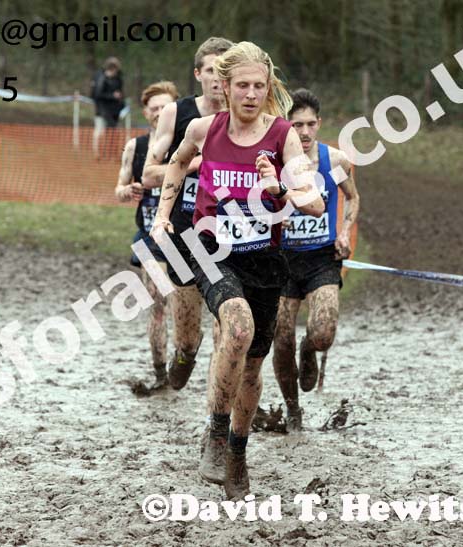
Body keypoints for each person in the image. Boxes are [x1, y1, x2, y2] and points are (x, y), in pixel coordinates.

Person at [151, 42, 325, 500]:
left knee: (251, 368)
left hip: (266, 260)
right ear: (223, 86)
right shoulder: (205, 128)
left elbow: (316, 201)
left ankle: (237, 448)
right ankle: (213, 431)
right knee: (238, 326)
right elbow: (177, 161)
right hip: (212, 250)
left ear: (268, 89)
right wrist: (163, 213)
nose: (250, 94)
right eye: (242, 85)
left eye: (259, 86)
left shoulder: (284, 135)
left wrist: (281, 187)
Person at [141, 36, 234, 392]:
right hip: (184, 235)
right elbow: (149, 174)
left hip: (229, 234)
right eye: (211, 70)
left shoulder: (246, 116)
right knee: (189, 340)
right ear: (198, 73)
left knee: (227, 328)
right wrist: (192, 166)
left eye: (224, 71)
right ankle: (183, 357)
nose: (217, 78)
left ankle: (218, 409)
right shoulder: (176, 114)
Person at [273, 89, 360, 429]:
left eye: (310, 124)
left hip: (321, 258)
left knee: (324, 332)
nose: (305, 133)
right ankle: (293, 411)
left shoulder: (335, 161)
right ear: (286, 126)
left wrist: (344, 233)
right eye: (297, 126)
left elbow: (352, 199)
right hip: (281, 261)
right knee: (280, 338)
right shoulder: (273, 164)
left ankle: (309, 349)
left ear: (319, 124)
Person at [114, 81, 179, 390]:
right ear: (145, 113)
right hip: (150, 239)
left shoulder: (189, 144)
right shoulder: (135, 147)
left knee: (181, 305)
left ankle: (183, 359)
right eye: (154, 109)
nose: (159, 113)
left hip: (186, 238)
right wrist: (128, 190)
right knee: (158, 301)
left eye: (165, 107)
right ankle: (160, 372)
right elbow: (119, 189)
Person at [90, 57, 125, 158]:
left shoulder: (118, 79)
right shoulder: (100, 78)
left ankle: (111, 153)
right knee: (99, 131)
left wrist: (120, 102)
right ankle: (97, 153)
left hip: (114, 110)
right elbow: (96, 94)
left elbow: (121, 93)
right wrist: (112, 95)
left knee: (113, 132)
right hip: (101, 110)